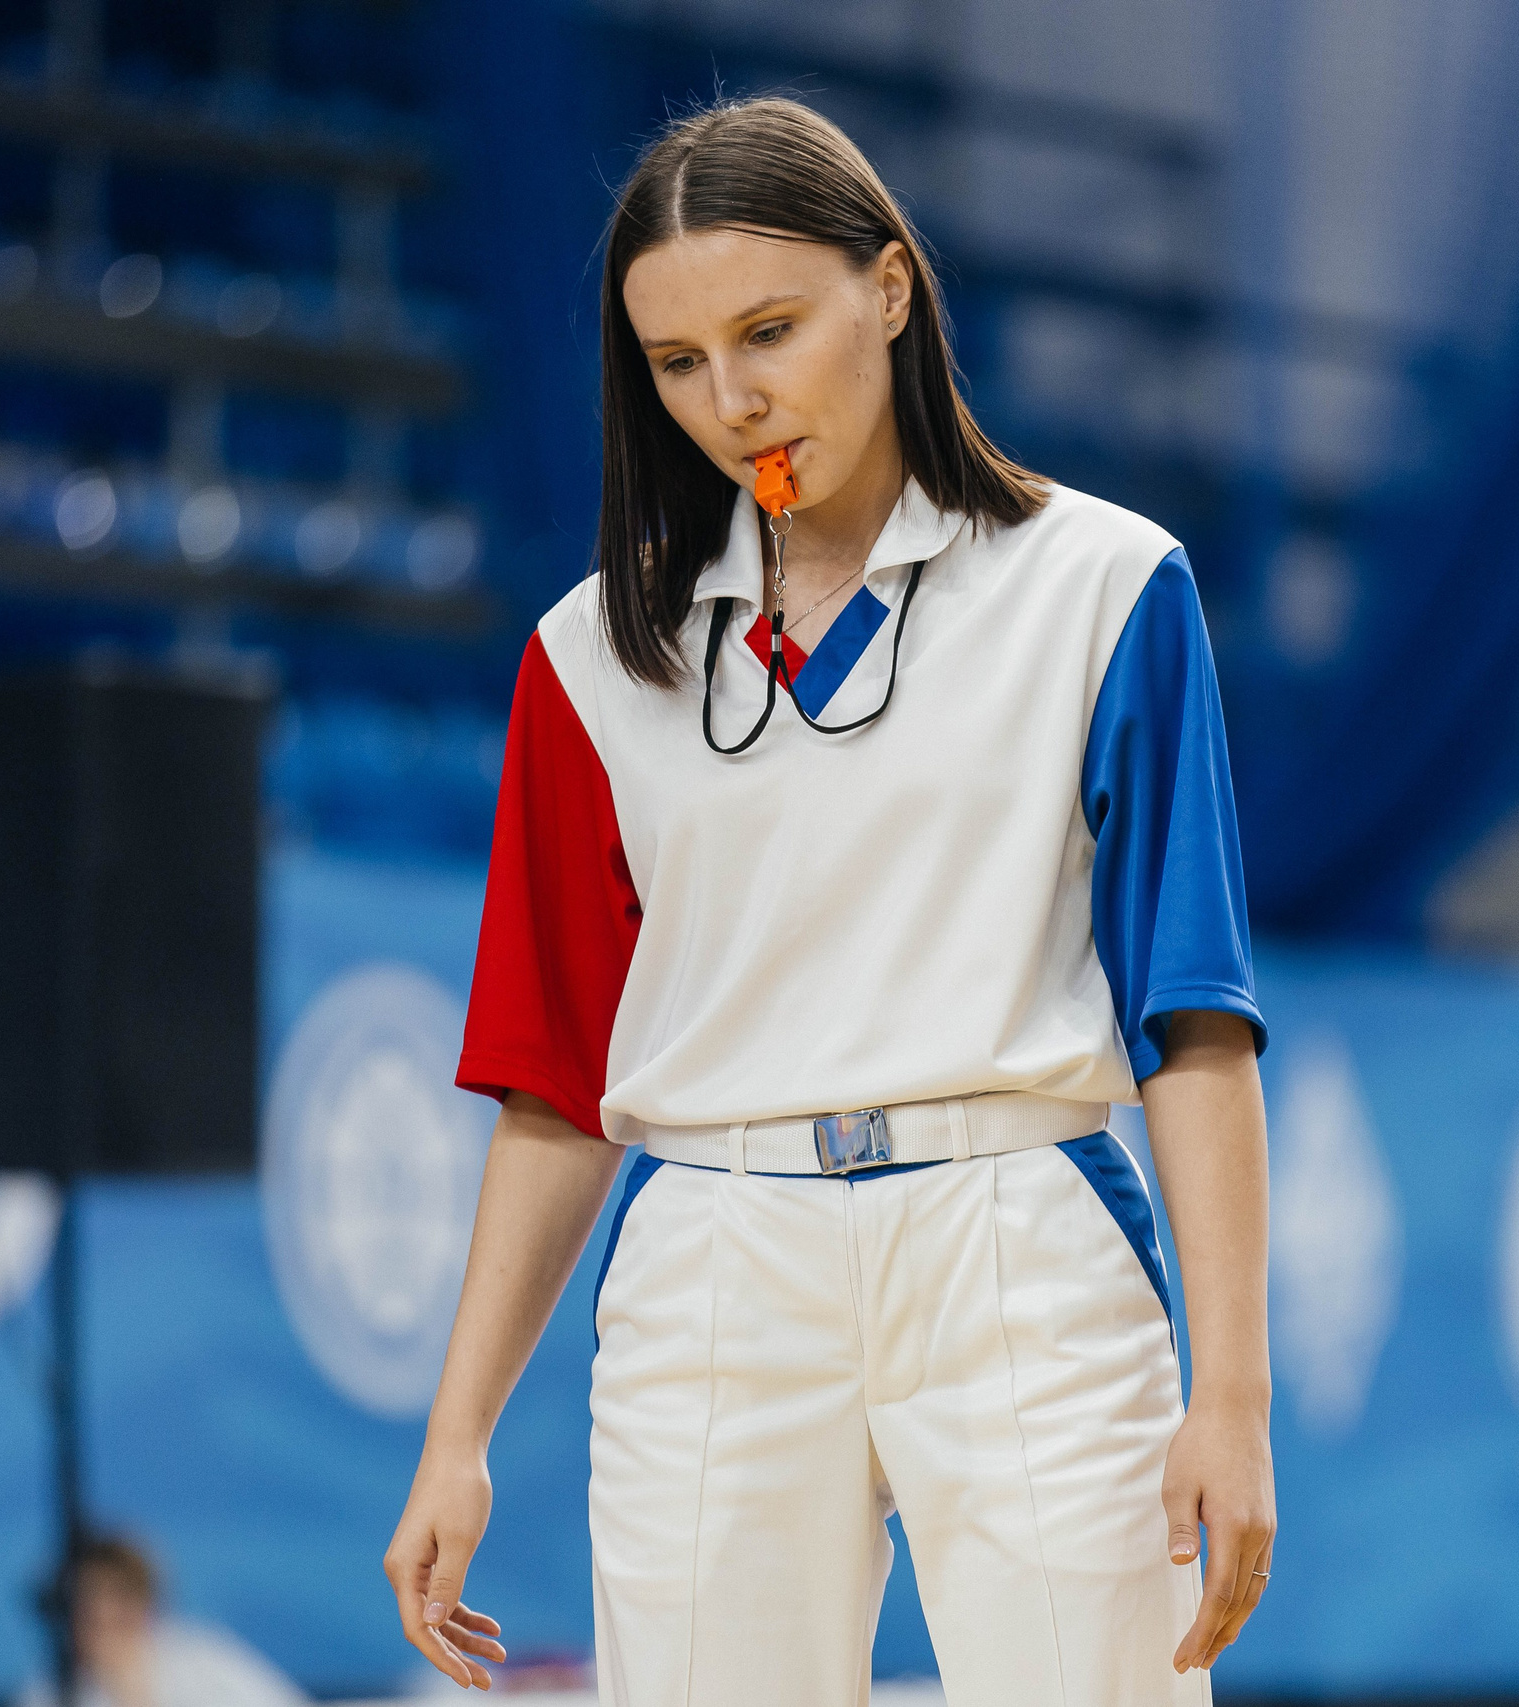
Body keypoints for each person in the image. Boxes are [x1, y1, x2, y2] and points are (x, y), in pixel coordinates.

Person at [384, 96, 1274, 1706]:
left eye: (769, 329)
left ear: (891, 286)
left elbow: (1195, 1023)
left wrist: (1235, 1395)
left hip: (1020, 1232)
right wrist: (458, 1437)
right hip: (710, 1256)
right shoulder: (587, 660)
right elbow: (554, 1084)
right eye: (674, 362)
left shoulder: (1108, 586)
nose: (730, 398)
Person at [15, 1534, 306, 1707]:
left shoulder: (203, 1659)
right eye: (86, 1603)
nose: (102, 1615)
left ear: (145, 1604)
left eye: (118, 1599)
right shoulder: (50, 1690)